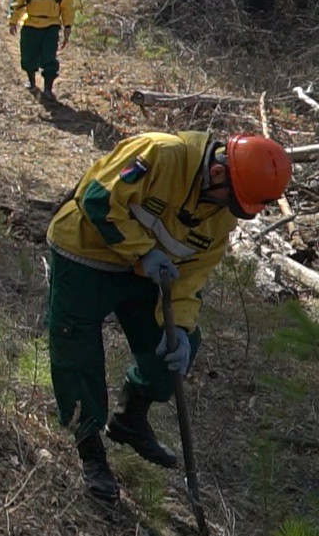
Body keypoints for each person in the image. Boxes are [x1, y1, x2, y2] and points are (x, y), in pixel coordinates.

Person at [45, 131, 292, 503]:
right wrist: (144, 251)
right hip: (87, 253)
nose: (230, 213)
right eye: (233, 202)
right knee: (77, 354)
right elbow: (97, 200)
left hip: (144, 273)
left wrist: (179, 326)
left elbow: (193, 276)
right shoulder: (161, 153)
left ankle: (130, 419)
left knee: (178, 348)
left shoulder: (221, 215)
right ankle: (90, 449)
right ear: (220, 173)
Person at [7, 0, 73, 98]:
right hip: (30, 24)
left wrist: (67, 26)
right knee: (28, 56)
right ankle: (31, 81)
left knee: (49, 58)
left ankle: (48, 89)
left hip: (51, 26)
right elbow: (17, 3)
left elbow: (67, 7)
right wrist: (13, 21)